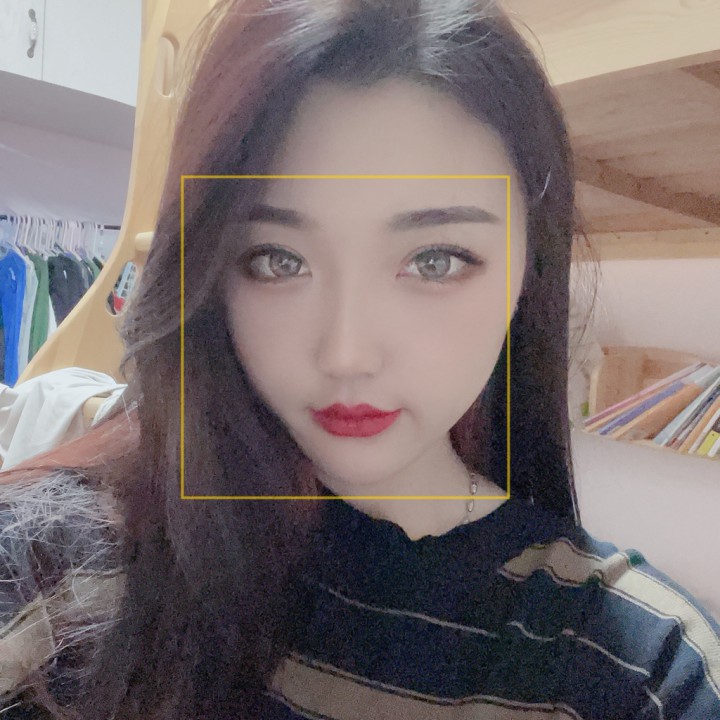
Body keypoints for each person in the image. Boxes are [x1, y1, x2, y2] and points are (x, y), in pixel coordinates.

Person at [1, 0, 718, 718]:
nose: (346, 354)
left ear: (529, 266)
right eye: (277, 259)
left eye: (435, 260)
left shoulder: (643, 671)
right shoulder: (54, 569)